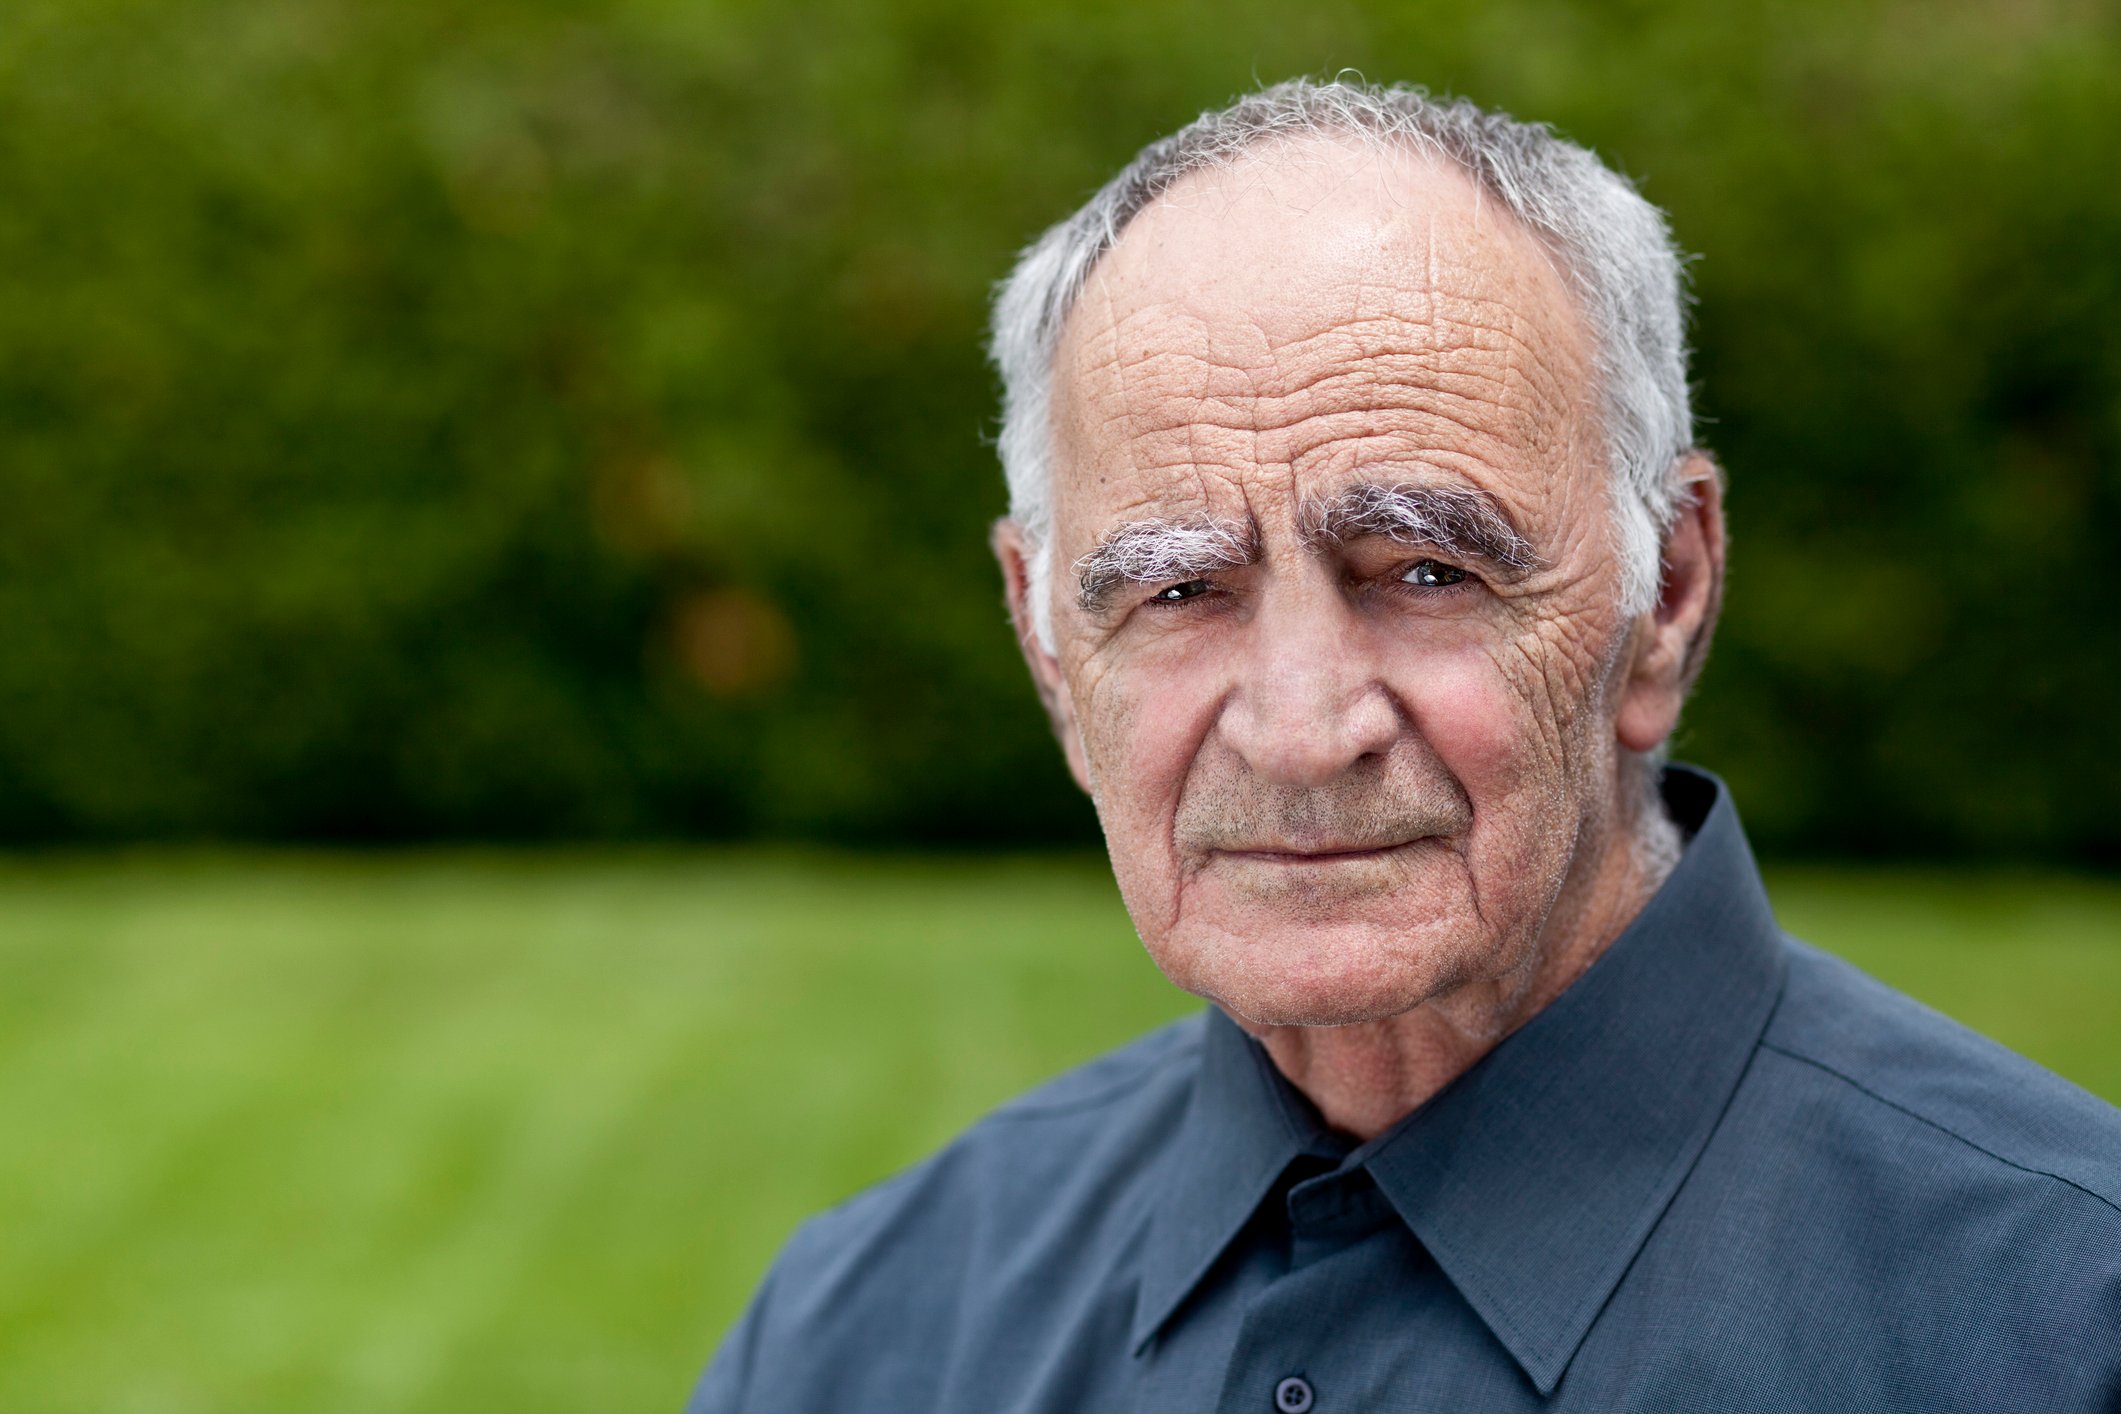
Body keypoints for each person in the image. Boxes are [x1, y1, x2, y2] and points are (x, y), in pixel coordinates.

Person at [687, 79, 2121, 1412]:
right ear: (1050, 648)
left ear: (1665, 592)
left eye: (1425, 569)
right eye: (1180, 589)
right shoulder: (862, 1335)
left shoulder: (2059, 1326)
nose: (1302, 731)